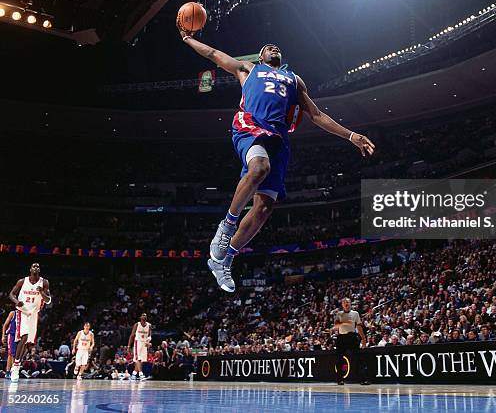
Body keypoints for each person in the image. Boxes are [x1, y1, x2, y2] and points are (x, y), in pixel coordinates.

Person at [179, 30, 375, 293]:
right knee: (260, 168)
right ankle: (225, 228)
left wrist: (350, 135)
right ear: (260, 57)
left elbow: (316, 115)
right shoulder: (247, 69)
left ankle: (224, 260)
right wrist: (188, 39)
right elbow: (214, 54)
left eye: (275, 46)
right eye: (267, 47)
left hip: (278, 136)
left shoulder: (293, 79)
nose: (273, 47)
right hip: (250, 125)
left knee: (264, 208)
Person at [8, 263, 51, 382]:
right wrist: (17, 302)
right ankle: (15, 367)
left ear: (40, 270)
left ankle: (17, 363)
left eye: (38, 266)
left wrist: (41, 292)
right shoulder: (22, 281)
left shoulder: (44, 282)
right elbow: (11, 294)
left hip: (34, 314)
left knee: (29, 344)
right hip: (23, 312)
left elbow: (48, 300)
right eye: (34, 266)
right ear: (30, 269)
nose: (36, 268)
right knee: (24, 336)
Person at [333, 298, 368, 385]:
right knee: (339, 360)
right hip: (341, 338)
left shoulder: (355, 313)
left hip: (352, 337)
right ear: (342, 304)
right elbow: (336, 326)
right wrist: (345, 323)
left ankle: (363, 379)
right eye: (344, 302)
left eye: (348, 302)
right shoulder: (339, 314)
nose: (346, 303)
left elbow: (359, 327)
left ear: (350, 303)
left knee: (358, 358)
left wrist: (363, 339)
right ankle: (340, 379)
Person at [127, 313, 151, 380]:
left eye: (145, 315)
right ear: (140, 317)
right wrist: (129, 346)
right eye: (143, 315)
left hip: (145, 343)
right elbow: (132, 335)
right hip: (138, 342)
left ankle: (134, 374)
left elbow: (149, 336)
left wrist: (148, 341)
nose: (144, 316)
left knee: (142, 360)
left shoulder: (149, 325)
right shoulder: (137, 324)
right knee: (138, 359)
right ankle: (141, 374)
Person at [2, 309, 18, 376]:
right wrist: (3, 336)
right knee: (11, 353)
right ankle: (9, 371)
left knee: (16, 354)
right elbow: (5, 325)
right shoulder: (13, 313)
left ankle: (12, 370)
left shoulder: (25, 314)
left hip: (20, 336)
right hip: (12, 334)